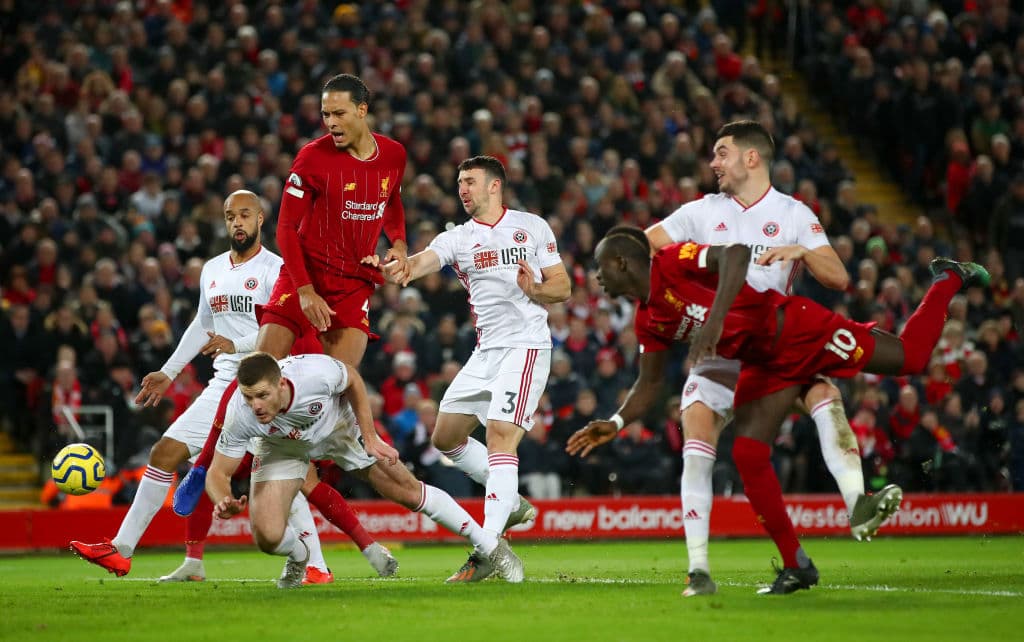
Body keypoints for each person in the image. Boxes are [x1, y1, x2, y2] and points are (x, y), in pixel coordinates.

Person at [568, 226, 989, 594]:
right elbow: (650, 383)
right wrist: (616, 422)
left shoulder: (673, 261)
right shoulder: (648, 320)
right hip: (765, 365)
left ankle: (948, 277)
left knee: (909, 358)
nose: (597, 277)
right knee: (748, 454)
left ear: (621, 262)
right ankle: (796, 563)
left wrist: (715, 321)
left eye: (600, 267)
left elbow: (735, 254)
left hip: (798, 330)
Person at [69, 191, 393, 585]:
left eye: (244, 215)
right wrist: (169, 372)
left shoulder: (279, 269)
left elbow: (287, 328)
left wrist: (236, 345)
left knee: (292, 479)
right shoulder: (212, 269)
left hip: (268, 385)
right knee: (165, 453)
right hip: (224, 383)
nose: (237, 222)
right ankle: (122, 550)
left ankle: (317, 565)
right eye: (229, 216)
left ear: (260, 219)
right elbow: (202, 325)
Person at [644, 120, 899, 596]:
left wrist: (802, 250)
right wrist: (693, 267)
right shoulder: (702, 210)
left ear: (751, 157)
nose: (713, 163)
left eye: (721, 153)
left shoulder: (793, 213)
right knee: (696, 438)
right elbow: (648, 242)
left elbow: (838, 277)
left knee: (824, 394)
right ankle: (699, 570)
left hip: (771, 348)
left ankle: (857, 503)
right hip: (720, 352)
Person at [173, 73, 410, 517]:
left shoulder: (394, 154)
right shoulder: (312, 157)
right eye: (324, 114)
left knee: (339, 383)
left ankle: (309, 464)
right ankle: (205, 465)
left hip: (352, 282)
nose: (330, 122)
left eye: (339, 113)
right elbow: (285, 227)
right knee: (257, 369)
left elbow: (392, 199)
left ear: (362, 111)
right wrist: (303, 291)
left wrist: (397, 242)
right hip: (304, 275)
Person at [378, 155, 571, 582]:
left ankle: (489, 547)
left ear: (494, 185)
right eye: (459, 182)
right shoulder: (459, 238)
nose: (462, 189)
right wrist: (400, 267)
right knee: (445, 437)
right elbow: (421, 262)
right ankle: (511, 502)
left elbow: (562, 287)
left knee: (501, 434)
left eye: (470, 181)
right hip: (485, 354)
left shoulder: (532, 227)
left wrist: (535, 289)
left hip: (525, 347)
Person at [209, 351, 524, 587]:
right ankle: (301, 555)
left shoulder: (312, 374)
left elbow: (352, 379)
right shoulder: (241, 413)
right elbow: (218, 473)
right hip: (283, 448)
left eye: (262, 395)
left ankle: (491, 548)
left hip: (340, 427)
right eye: (249, 397)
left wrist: (370, 436)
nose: (256, 405)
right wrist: (223, 498)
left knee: (408, 492)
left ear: (281, 384)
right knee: (266, 537)